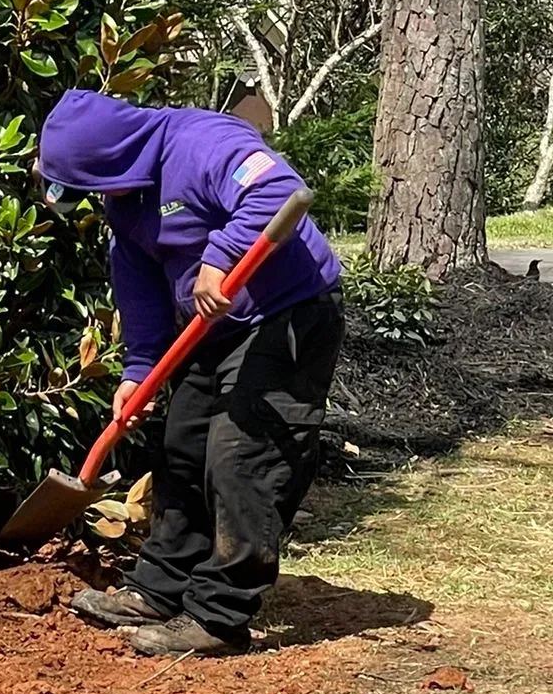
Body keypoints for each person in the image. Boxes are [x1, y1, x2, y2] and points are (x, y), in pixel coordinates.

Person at [38, 88, 344, 659]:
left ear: (113, 158)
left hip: (288, 314)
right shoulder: (123, 202)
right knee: (182, 446)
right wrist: (139, 368)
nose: (90, 201)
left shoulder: (204, 142)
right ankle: (159, 588)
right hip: (216, 327)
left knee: (244, 456)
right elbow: (142, 290)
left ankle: (218, 617)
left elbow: (281, 190)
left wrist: (219, 256)